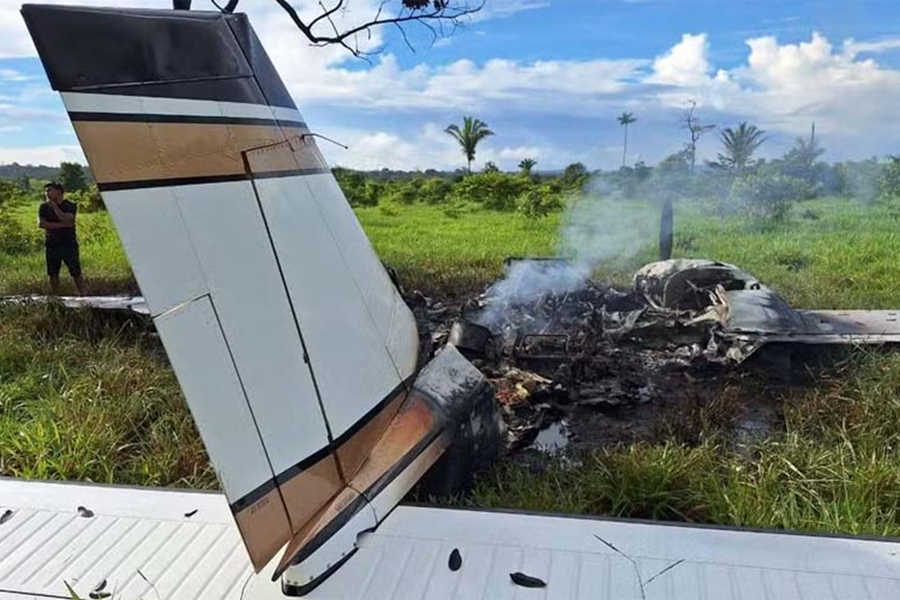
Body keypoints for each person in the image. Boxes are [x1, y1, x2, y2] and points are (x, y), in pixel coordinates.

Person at [38, 182, 85, 296]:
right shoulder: (43, 207)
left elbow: (68, 219)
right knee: (53, 273)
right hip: (52, 244)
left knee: (75, 271)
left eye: (50, 190)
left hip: (68, 243)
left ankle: (83, 295)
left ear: (59, 192)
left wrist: (55, 208)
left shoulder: (70, 205)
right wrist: (62, 225)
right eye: (46, 191)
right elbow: (42, 224)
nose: (47, 193)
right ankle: (56, 297)